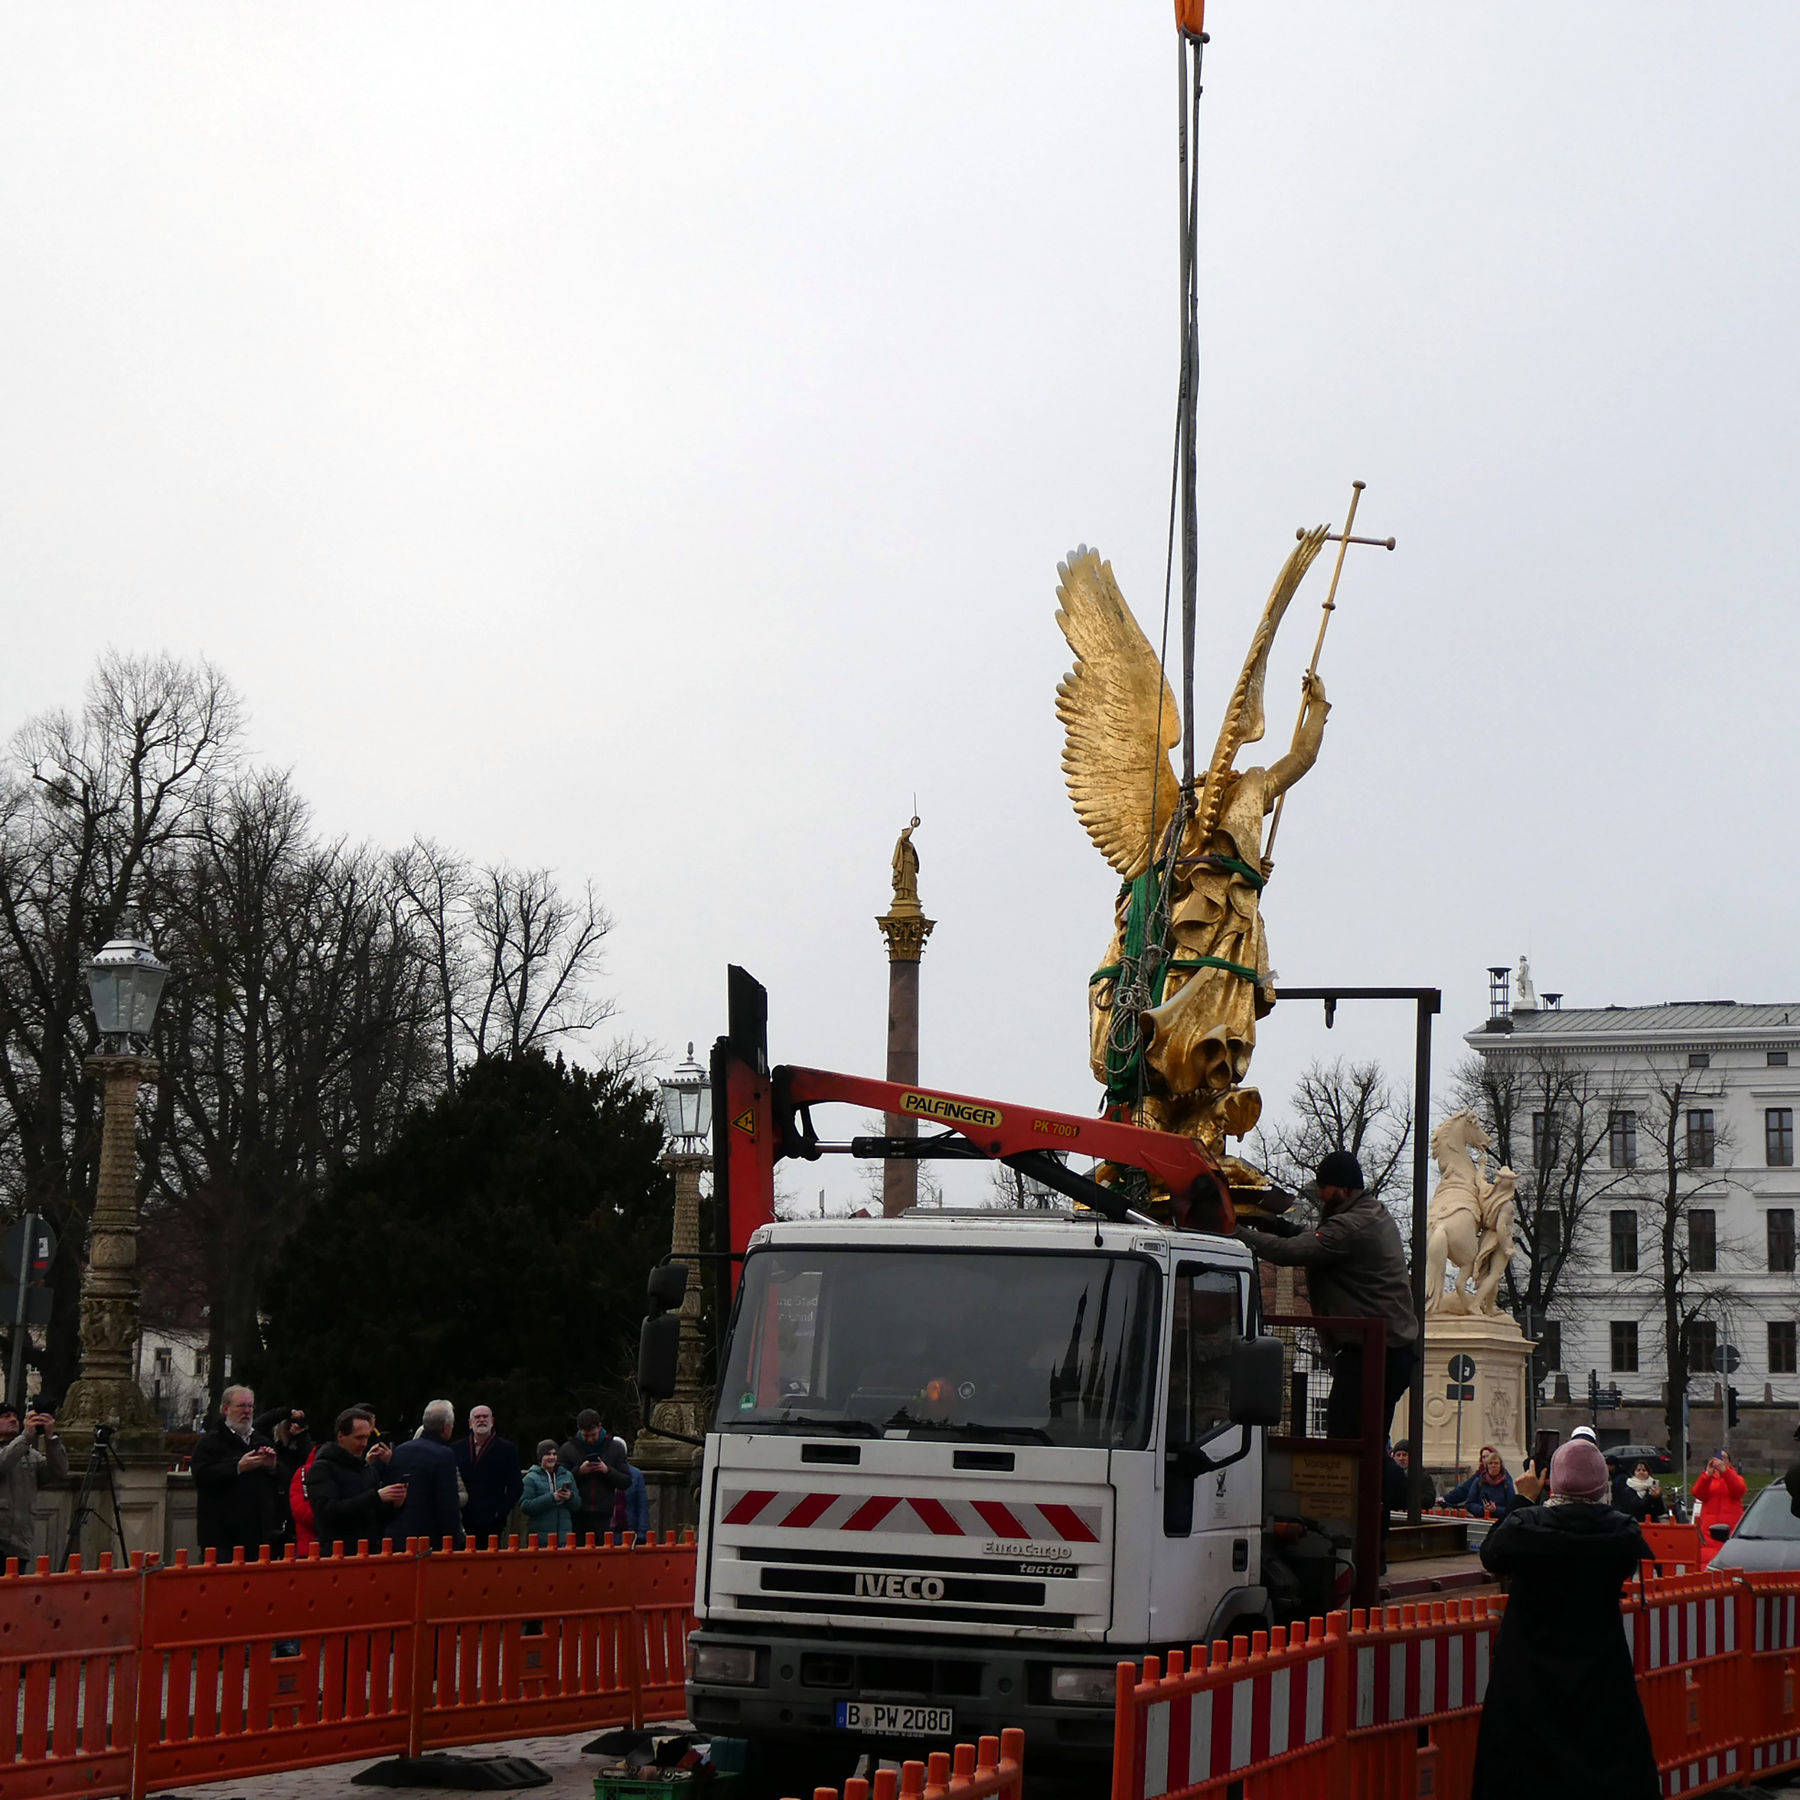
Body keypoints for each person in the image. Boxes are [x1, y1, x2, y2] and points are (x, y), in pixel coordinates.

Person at [1469, 1438, 1658, 1798]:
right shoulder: (1619, 1533)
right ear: (1601, 1485)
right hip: (1599, 1671)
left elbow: (1492, 1554)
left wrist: (1523, 1498)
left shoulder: (1526, 1527)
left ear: (1553, 1482)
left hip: (1527, 1673)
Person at [1236, 1150, 1419, 1442]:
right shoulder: (1368, 1213)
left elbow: (1292, 1252)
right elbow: (1315, 1240)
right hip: (1387, 1351)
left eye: (1325, 1187)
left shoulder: (1352, 1226)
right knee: (1365, 1440)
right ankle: (1375, 1485)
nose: (1320, 1194)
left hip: (1373, 1353)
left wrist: (1237, 1233)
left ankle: (1366, 1488)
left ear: (1345, 1189)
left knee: (1348, 1441)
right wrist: (1277, 1226)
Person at [191, 1385, 283, 1560]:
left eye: (250, 1406)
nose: (247, 1412)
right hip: (221, 1538)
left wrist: (273, 1468)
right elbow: (201, 1475)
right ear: (226, 1409)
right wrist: (238, 1467)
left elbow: (281, 1481)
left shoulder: (261, 1441)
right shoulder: (211, 1442)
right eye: (241, 1406)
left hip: (258, 1537)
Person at [305, 1409, 407, 1552]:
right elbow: (327, 1511)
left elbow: (375, 1518)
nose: (364, 1443)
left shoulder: (366, 1469)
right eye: (358, 1438)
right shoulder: (322, 1468)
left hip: (369, 1552)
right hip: (338, 1554)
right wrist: (376, 1497)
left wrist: (395, 1504)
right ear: (341, 1436)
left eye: (367, 1437)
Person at [385, 1399, 464, 1550]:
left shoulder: (400, 1451)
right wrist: (453, 1541)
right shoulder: (444, 1455)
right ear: (446, 1427)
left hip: (397, 1535)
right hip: (428, 1539)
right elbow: (447, 1503)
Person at [0, 1403, 68, 1568]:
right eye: (6, 1416)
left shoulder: (30, 1453)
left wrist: (51, 1439)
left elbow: (58, 1472)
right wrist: (25, 1437)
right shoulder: (22, 1445)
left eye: (16, 1416)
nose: (13, 1420)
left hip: (19, 1544)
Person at [455, 1404, 523, 1548]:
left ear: (492, 1421)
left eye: (485, 1416)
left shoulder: (507, 1450)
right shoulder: (456, 1449)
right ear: (470, 1423)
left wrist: (501, 1513)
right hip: (462, 1519)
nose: (481, 1420)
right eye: (477, 1417)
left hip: (492, 1521)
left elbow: (516, 1486)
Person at [559, 1409, 631, 1542]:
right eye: (586, 1436)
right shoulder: (567, 1449)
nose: (590, 1439)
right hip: (577, 1516)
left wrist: (607, 1470)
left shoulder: (615, 1448)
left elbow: (626, 1481)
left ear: (599, 1427)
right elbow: (560, 1481)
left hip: (605, 1517)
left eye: (593, 1435)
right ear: (579, 1430)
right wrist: (579, 1472)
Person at [254, 1404, 313, 1546]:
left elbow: (309, 1461)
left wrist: (302, 1436)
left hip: (291, 1509)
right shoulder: (268, 1444)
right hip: (269, 1509)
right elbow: (259, 1425)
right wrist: (286, 1413)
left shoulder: (300, 1448)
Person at [520, 1440, 577, 1544]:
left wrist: (570, 1497)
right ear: (540, 1457)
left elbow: (577, 1504)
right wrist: (552, 1498)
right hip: (539, 1541)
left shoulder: (567, 1475)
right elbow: (525, 1506)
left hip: (564, 1540)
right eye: (547, 1454)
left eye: (554, 1454)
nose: (552, 1457)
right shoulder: (530, 1478)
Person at [1443, 1446, 1515, 1519]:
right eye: (1490, 1463)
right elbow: (1467, 1498)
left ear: (1500, 1465)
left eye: (1496, 1463)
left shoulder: (1506, 1482)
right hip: (1481, 1520)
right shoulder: (1479, 1480)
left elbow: (1512, 1508)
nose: (1493, 1466)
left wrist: (1496, 1509)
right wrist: (1483, 1509)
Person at [1692, 1451, 1746, 1540]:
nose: (1720, 1461)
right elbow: (1697, 1493)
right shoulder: (1708, 1479)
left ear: (1729, 1462)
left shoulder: (1736, 1478)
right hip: (1709, 1532)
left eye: (1724, 1458)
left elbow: (1739, 1491)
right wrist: (1707, 1475)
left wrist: (1725, 1472)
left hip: (1730, 1532)